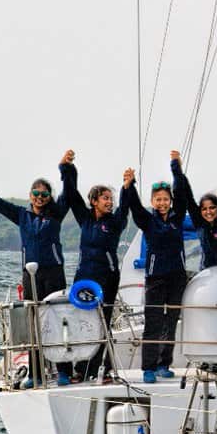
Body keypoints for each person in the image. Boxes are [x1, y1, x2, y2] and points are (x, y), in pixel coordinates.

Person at [0, 153, 73, 387]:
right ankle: (36, 373)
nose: (40, 198)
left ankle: (64, 370)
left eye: (44, 194)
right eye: (36, 194)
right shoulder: (22, 216)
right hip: (30, 275)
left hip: (54, 273)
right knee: (34, 325)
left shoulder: (56, 213)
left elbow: (70, 190)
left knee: (58, 319)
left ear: (49, 196)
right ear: (30, 196)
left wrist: (67, 167)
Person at [62, 149, 134, 383]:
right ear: (94, 201)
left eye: (111, 199)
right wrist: (67, 168)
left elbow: (125, 208)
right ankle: (81, 370)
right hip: (84, 277)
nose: (109, 202)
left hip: (107, 278)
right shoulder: (85, 218)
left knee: (102, 323)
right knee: (83, 323)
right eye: (105, 198)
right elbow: (72, 195)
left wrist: (126, 187)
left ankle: (104, 370)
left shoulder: (114, 222)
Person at [124, 152, 187, 384]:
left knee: (170, 322)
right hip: (155, 278)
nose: (162, 202)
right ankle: (148, 368)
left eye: (165, 199)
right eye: (158, 199)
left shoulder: (177, 217)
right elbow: (133, 207)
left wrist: (176, 168)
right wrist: (130, 185)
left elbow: (182, 194)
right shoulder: (147, 220)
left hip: (177, 277)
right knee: (153, 323)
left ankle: (164, 364)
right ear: (152, 201)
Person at [180, 154, 217, 270]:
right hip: (206, 271)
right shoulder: (199, 223)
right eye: (204, 209)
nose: (208, 212)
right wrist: (178, 169)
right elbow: (189, 198)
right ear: (200, 211)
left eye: (212, 207)